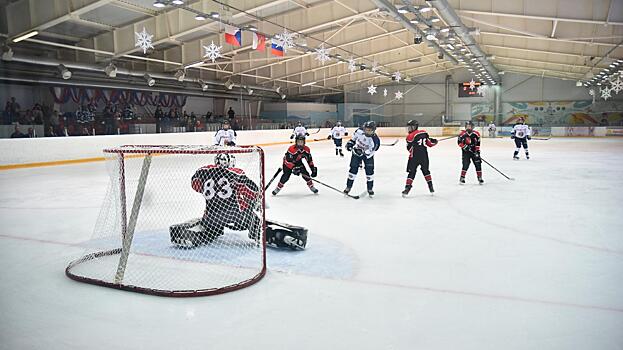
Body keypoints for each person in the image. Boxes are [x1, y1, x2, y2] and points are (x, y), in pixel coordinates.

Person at [169, 152, 262, 247]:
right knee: (252, 218)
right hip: (236, 215)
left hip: (212, 216)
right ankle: (261, 234)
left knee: (211, 230)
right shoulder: (237, 173)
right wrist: (255, 200)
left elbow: (195, 185)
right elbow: (252, 192)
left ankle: (195, 237)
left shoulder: (203, 171)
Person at [344, 121, 380, 196]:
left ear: (374, 130)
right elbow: (353, 139)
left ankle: (370, 188)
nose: (368, 131)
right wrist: (350, 144)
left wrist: (362, 151)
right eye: (366, 129)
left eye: (370, 130)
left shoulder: (375, 141)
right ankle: (348, 187)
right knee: (353, 169)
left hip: (368, 156)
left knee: (369, 171)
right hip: (356, 154)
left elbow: (370, 152)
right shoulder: (359, 131)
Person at [402, 120, 438, 197]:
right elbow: (429, 144)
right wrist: (434, 141)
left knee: (411, 173)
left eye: (410, 127)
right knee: (426, 171)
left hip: (414, 157)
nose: (409, 129)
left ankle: (407, 188)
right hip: (424, 156)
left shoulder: (410, 136)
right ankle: (431, 187)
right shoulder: (423, 133)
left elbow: (409, 149)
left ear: (415, 127)